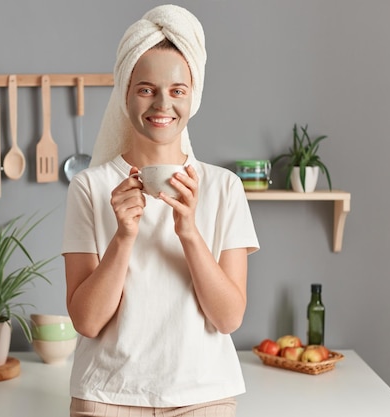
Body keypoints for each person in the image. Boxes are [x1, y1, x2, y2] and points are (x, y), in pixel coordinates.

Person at [62, 5, 259, 417]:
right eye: (146, 88)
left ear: (193, 95)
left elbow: (228, 318)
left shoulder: (224, 188)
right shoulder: (90, 186)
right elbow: (87, 321)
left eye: (177, 90)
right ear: (126, 92)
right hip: (105, 397)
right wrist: (123, 237)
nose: (162, 104)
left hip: (204, 396)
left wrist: (188, 231)